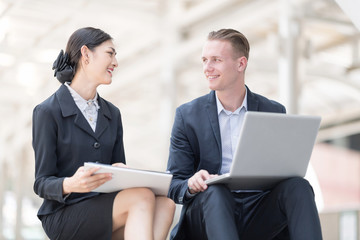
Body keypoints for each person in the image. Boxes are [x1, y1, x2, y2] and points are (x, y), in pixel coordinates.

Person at [167, 28, 323, 240]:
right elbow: (174, 184)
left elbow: (282, 171)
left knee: (299, 186)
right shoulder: (188, 116)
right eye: (204, 60)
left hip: (257, 210)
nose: (207, 68)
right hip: (208, 212)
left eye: (216, 60)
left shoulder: (273, 111)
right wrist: (192, 184)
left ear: (241, 64)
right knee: (216, 191)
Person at [32, 27, 175, 240]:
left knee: (166, 204)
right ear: (86, 54)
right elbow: (41, 182)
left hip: (105, 206)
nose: (116, 62)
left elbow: (119, 177)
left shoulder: (112, 114)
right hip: (64, 213)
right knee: (142, 198)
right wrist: (71, 184)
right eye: (110, 53)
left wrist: (120, 170)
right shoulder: (48, 111)